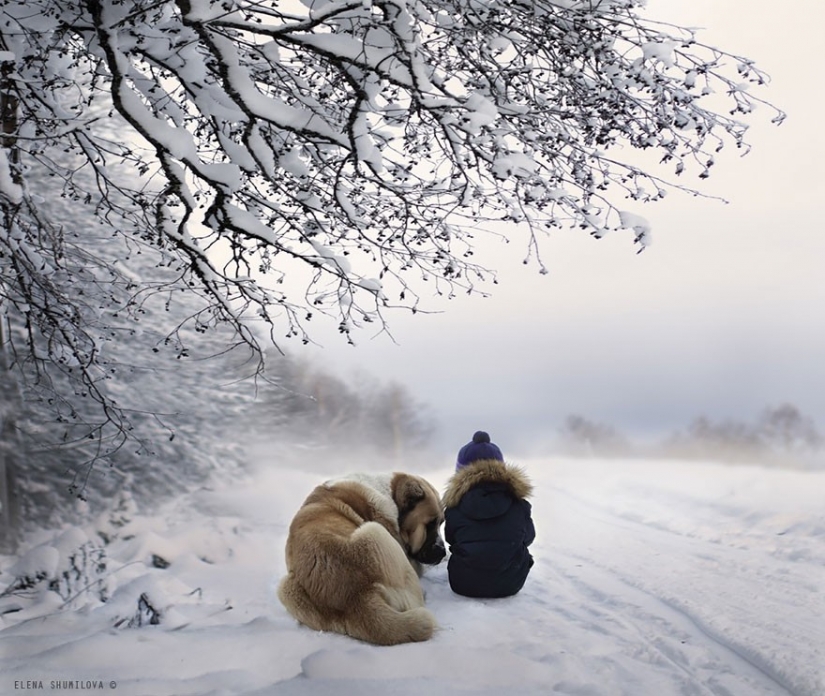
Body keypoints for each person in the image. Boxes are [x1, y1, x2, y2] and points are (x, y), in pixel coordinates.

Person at [442, 431, 535, 598]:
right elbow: (528, 537)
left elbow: (451, 538)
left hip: (463, 583)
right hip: (511, 583)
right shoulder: (519, 504)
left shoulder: (455, 507)